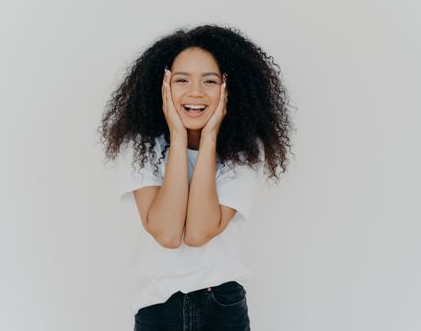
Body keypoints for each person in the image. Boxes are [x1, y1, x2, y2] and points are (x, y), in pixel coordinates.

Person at [99, 24, 294, 331]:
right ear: (163, 85)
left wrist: (210, 136)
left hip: (222, 304)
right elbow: (167, 233)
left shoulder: (245, 150)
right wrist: (178, 136)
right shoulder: (140, 146)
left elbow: (199, 232)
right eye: (181, 80)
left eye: (210, 81)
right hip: (156, 306)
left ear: (228, 88)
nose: (195, 92)